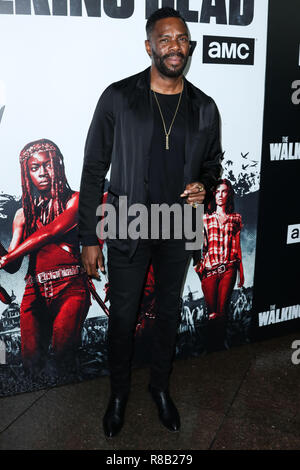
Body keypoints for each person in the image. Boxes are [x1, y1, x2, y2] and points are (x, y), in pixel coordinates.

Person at [79, 7, 223, 437]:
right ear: (149, 46)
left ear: (189, 47)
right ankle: (119, 395)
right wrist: (90, 236)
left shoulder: (204, 107)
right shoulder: (119, 97)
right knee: (123, 317)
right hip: (128, 222)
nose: (174, 46)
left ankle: (160, 388)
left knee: (168, 312)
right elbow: (92, 168)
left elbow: (213, 166)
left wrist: (206, 187)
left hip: (179, 225)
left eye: (181, 39)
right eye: (165, 39)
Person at [0, 139, 91, 373]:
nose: (42, 173)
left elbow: (50, 232)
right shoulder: (22, 215)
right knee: (31, 365)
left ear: (58, 166)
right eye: (34, 168)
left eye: (48, 165)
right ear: (27, 173)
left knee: (63, 356)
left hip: (70, 287)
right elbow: (12, 264)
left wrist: (10, 257)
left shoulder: (75, 200)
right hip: (34, 293)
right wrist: (5, 256)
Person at [195, 178, 244, 324]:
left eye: (224, 191)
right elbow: (201, 248)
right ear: (213, 195)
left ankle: (221, 344)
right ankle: (213, 345)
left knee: (222, 313)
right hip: (210, 271)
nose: (220, 195)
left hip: (229, 270)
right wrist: (200, 270)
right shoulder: (205, 219)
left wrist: (241, 273)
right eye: (217, 192)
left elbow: (236, 247)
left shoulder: (235, 218)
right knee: (212, 314)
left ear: (228, 194)